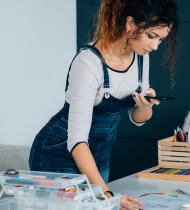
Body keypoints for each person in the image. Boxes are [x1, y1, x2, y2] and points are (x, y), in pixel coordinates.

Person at [28, 0, 180, 209]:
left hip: (98, 154)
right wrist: (108, 196)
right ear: (130, 24)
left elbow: (138, 120)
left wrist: (145, 105)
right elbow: (77, 140)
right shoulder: (89, 63)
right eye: (152, 36)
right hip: (60, 153)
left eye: (161, 39)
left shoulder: (141, 57)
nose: (155, 46)